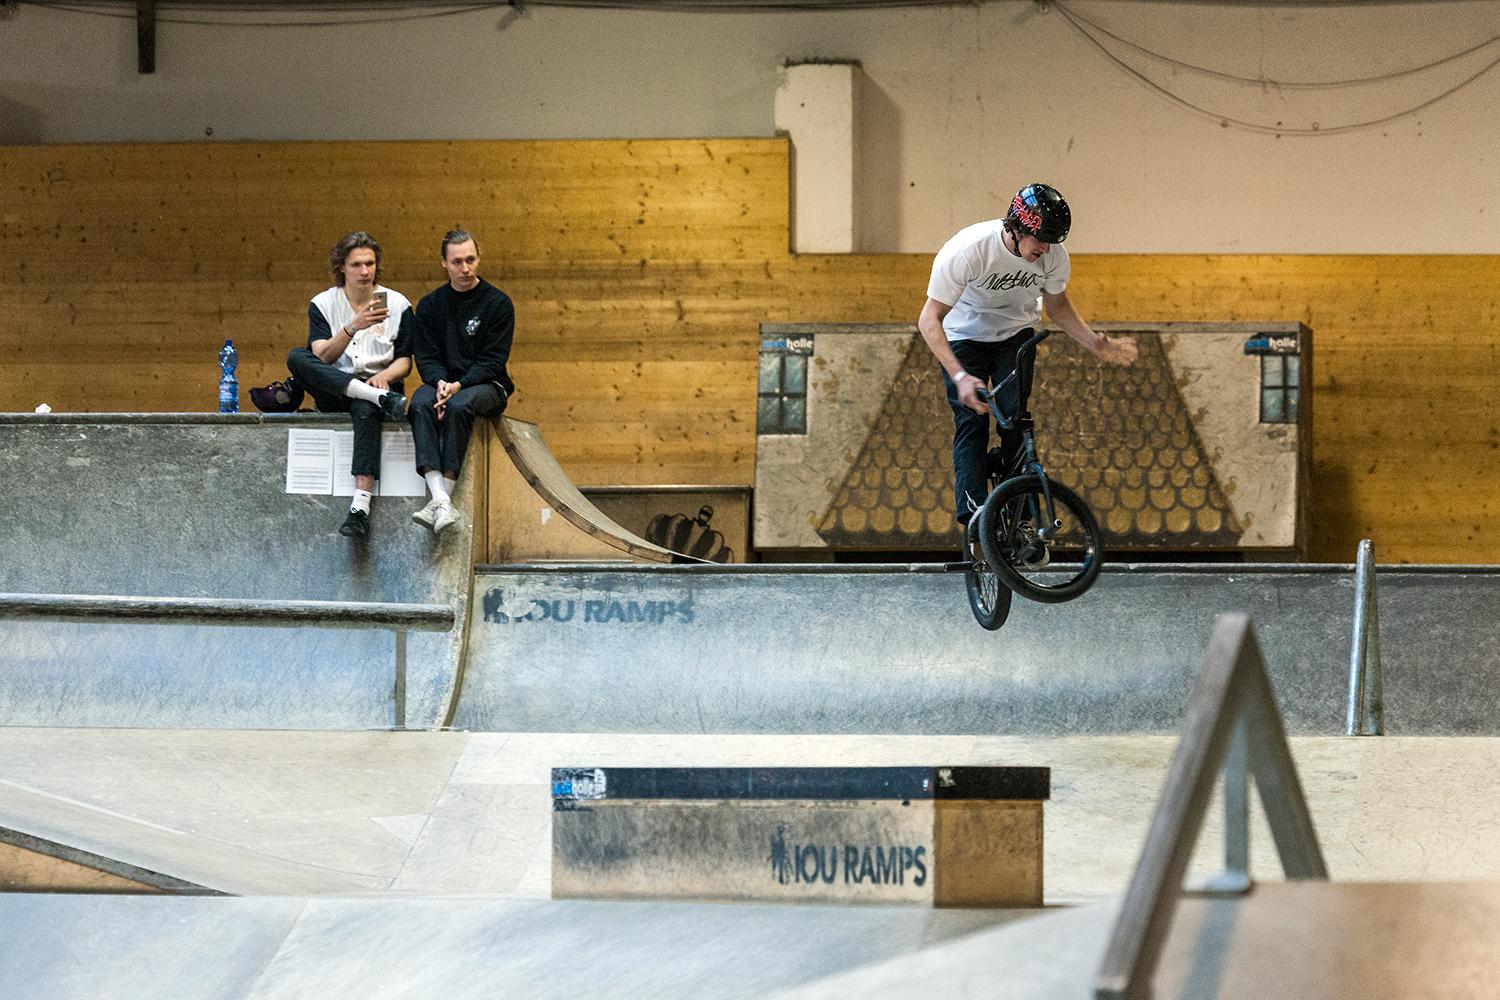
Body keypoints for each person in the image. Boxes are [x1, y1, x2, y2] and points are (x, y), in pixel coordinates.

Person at [918, 183, 1139, 531]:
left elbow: (1057, 305)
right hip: (964, 337)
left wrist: (1095, 343)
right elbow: (929, 319)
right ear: (1017, 227)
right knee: (972, 422)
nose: (1046, 248)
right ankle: (976, 521)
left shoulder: (1052, 255)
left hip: (1015, 337)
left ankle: (1020, 522)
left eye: (1052, 241)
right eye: (1040, 240)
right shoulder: (968, 251)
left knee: (1015, 424)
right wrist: (960, 376)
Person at [286, 231, 416, 539]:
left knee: (366, 407)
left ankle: (359, 509)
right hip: (336, 387)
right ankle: (370, 395)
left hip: (383, 387)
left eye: (370, 264)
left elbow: (405, 362)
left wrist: (385, 377)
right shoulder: (323, 303)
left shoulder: (398, 304)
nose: (365, 271)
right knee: (297, 356)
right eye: (356, 264)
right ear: (342, 267)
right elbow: (322, 356)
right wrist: (353, 326)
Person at [409, 229, 515, 535]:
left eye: (470, 260)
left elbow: (493, 361)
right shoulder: (429, 305)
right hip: (443, 382)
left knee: (458, 406)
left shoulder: (498, 304)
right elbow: (425, 358)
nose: (464, 268)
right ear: (444, 263)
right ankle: (440, 500)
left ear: (479, 259)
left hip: (487, 384)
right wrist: (440, 382)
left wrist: (459, 385)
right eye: (457, 262)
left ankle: (442, 499)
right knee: (418, 404)